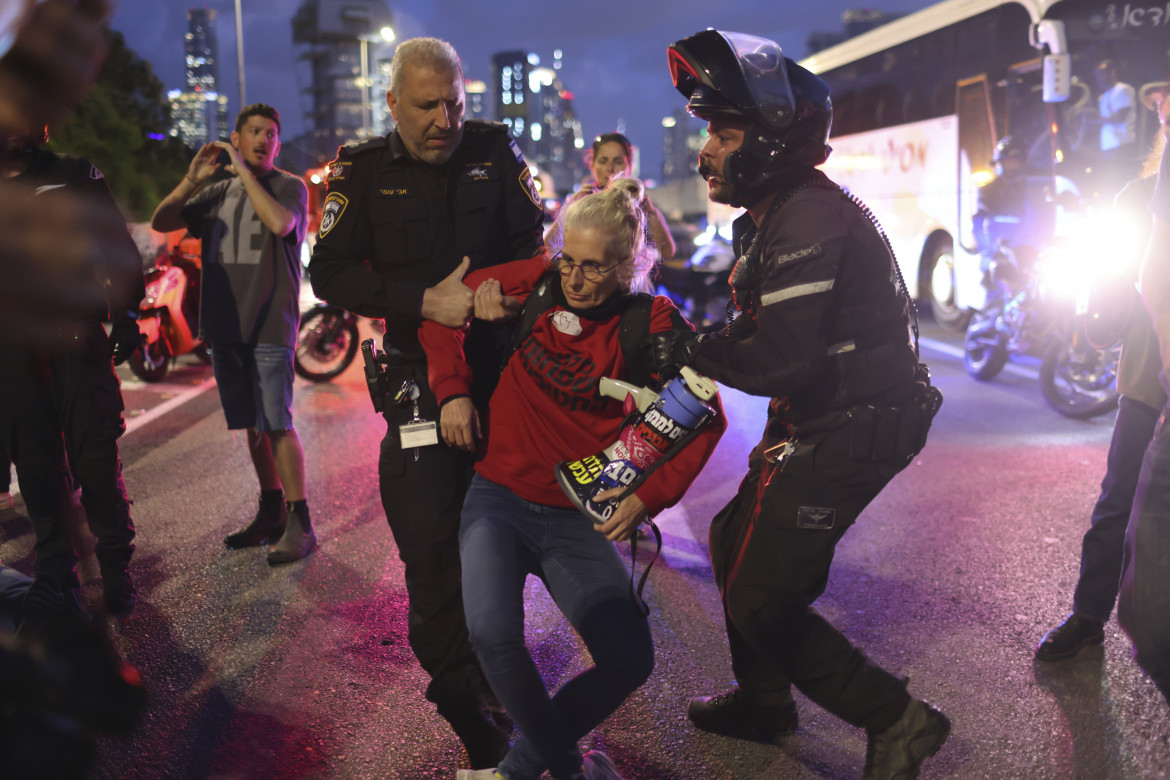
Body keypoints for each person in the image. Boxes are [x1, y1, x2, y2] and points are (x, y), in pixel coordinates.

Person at [650, 31, 948, 779]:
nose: (706, 151)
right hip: (823, 414)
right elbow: (763, 338)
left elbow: (779, 356)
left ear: (773, 137)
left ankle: (898, 720)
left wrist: (684, 348)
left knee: (762, 595)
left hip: (853, 424)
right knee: (730, 539)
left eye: (722, 133)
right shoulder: (776, 210)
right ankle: (766, 702)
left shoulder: (808, 216)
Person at [424, 178, 725, 780]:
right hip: (499, 497)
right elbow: (440, 305)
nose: (575, 278)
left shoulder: (651, 322)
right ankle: (564, 767)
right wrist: (453, 391)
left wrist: (648, 495)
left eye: (593, 267)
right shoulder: (537, 281)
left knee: (629, 658)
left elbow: (705, 413)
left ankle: (519, 770)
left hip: (576, 518)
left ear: (627, 266)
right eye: (569, 260)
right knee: (492, 635)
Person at [307, 37, 545, 768]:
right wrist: (423, 301)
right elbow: (329, 272)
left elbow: (535, 245)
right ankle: (463, 700)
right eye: (427, 105)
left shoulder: (495, 152)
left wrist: (481, 299)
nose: (445, 119)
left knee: (507, 542)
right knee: (431, 545)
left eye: (456, 103)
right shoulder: (363, 171)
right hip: (414, 378)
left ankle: (497, 674)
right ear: (391, 104)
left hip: (502, 375)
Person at [1036, 83, 1168, 663]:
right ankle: (1089, 617)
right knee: (1117, 505)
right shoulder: (1137, 200)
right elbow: (1108, 313)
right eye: (1164, 107)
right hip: (1148, 381)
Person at [150, 103, 315, 565]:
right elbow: (162, 222)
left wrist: (243, 173)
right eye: (256, 132)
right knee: (251, 423)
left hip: (269, 324)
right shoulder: (215, 190)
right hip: (225, 325)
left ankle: (301, 523)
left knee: (276, 422)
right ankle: (271, 510)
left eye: (272, 134)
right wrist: (191, 180)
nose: (265, 140)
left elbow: (281, 224)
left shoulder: (290, 187)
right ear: (236, 139)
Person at [0, 122, 144, 617]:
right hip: (12, 350)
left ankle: (114, 562)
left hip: (76, 338)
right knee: (36, 465)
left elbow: (116, 246)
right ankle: (56, 570)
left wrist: (126, 312)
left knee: (96, 456)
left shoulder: (74, 173)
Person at [1117, 83, 1170, 706]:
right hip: (1152, 389)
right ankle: (1085, 614)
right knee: (1150, 618)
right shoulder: (1145, 187)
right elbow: (1150, 272)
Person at [546, 133, 675, 267]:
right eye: (603, 161)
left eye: (618, 161)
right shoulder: (582, 201)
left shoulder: (639, 203)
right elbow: (548, 246)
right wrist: (569, 208)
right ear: (592, 165)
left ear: (630, 165)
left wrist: (651, 213)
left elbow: (667, 253)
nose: (610, 168)